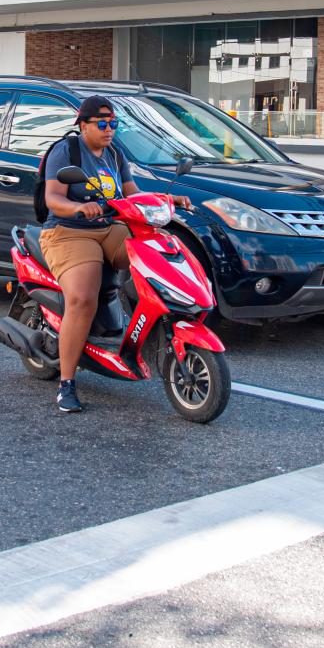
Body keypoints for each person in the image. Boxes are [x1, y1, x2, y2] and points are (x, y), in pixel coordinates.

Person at [39, 95, 191, 414]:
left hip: (109, 228)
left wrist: (168, 199)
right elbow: (53, 198)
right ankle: (67, 383)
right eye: (103, 124)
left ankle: (151, 325)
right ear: (83, 125)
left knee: (158, 251)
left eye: (114, 124)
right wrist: (79, 207)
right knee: (83, 298)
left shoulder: (114, 154)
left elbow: (132, 195)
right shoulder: (66, 151)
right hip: (69, 230)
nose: (110, 129)